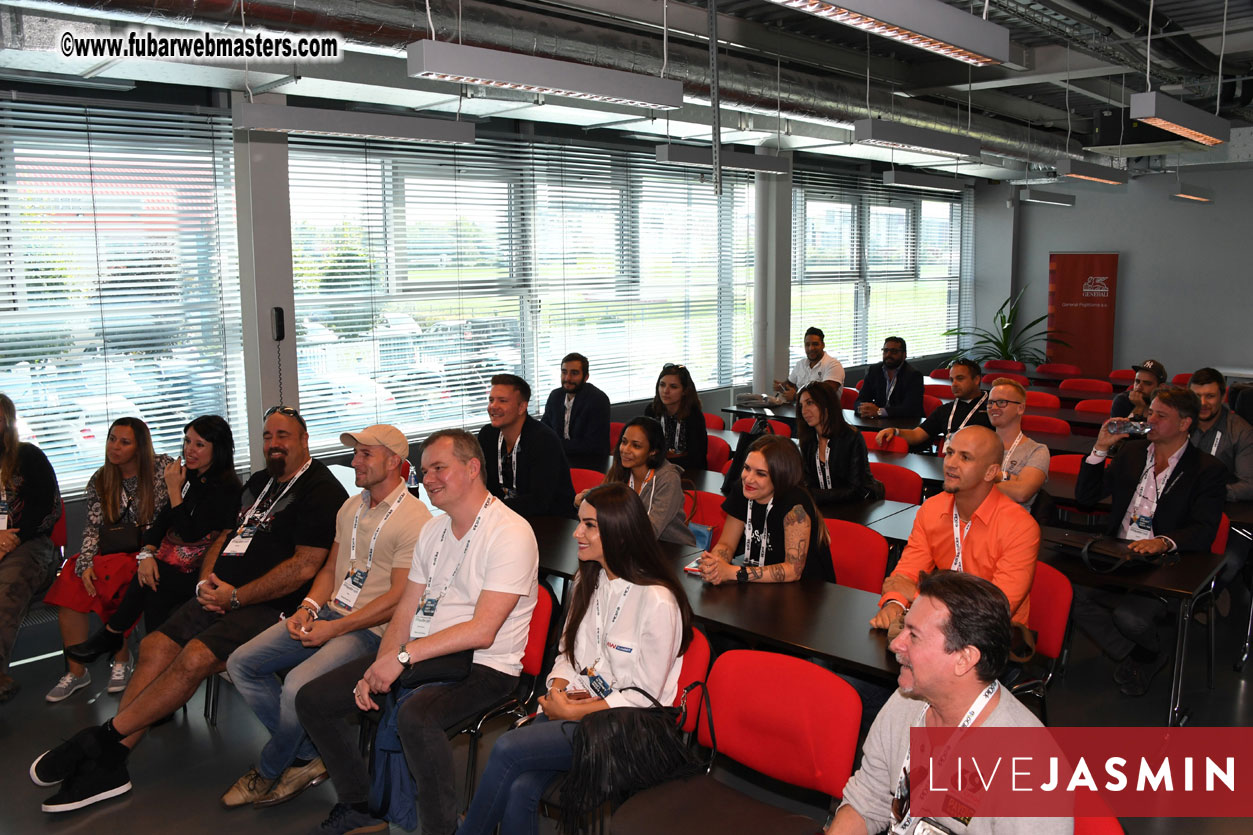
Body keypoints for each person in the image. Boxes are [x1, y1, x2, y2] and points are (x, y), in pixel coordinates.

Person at [29, 406, 348, 813]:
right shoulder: (260, 483)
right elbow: (225, 535)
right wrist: (206, 580)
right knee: (157, 646)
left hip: (271, 607)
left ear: (304, 439)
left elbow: (305, 566)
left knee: (194, 656)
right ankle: (112, 761)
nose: (273, 444)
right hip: (220, 593)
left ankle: (101, 742)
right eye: (267, 436)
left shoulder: (321, 490)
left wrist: (237, 596)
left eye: (283, 435)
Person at [295, 429, 538, 835]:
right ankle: (362, 804)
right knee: (313, 699)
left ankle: (440, 828)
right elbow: (406, 609)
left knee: (416, 718)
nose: (429, 479)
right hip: (423, 653)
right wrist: (385, 660)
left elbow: (482, 631)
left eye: (440, 468)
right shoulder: (434, 530)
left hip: (485, 666)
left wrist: (402, 659)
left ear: (473, 468)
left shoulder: (510, 532)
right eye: (425, 471)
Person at [459, 482, 693, 835]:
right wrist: (558, 690)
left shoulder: (657, 601)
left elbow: (640, 696)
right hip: (579, 706)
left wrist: (571, 711)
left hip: (631, 727)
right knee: (522, 786)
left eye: (589, 525)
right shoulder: (590, 577)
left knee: (507, 747)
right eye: (579, 522)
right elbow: (567, 654)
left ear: (620, 533)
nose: (576, 532)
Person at [222, 424, 432, 809]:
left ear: (393, 461)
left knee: (297, 686)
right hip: (332, 613)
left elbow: (398, 598)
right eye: (356, 453)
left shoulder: (415, 519)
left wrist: (335, 628)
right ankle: (305, 754)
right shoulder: (352, 506)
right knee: (241, 663)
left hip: (370, 629)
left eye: (365, 454)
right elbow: (331, 569)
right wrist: (309, 608)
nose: (355, 461)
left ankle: (268, 770)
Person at [829, 571, 1072, 835]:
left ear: (964, 659)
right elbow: (866, 802)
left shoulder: (1029, 766)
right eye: (904, 627)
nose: (896, 644)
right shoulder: (905, 700)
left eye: (914, 636)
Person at [1072, 386, 1227, 697]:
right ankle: (1142, 655)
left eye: (1161, 415)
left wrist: (1164, 542)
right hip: (1119, 551)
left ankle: (1141, 653)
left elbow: (1204, 529)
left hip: (1165, 560)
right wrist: (1100, 450)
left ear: (1185, 423)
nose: (1150, 419)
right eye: (1151, 412)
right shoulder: (1131, 453)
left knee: (1129, 617)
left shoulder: (1207, 470)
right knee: (1067, 593)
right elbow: (1086, 499)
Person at [64, 416, 243, 672]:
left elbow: (189, 533)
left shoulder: (225, 487)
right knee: (152, 584)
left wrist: (173, 490)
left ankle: (116, 635)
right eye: (187, 441)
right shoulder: (190, 475)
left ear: (218, 448)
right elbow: (163, 521)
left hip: (206, 570)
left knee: (152, 582)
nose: (189, 450)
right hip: (178, 564)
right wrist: (146, 553)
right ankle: (153, 666)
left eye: (199, 444)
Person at [45, 417, 172, 702]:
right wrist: (86, 563)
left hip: (150, 549)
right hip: (112, 549)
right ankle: (77, 672)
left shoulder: (161, 468)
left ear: (140, 447)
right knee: (73, 577)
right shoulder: (101, 479)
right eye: (112, 439)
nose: (114, 447)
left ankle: (122, 658)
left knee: (114, 576)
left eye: (124, 442)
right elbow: (92, 527)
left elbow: (171, 515)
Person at [869, 426, 1039, 632]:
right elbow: (907, 571)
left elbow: (996, 609)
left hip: (995, 636)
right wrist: (894, 604)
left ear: (991, 472)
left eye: (965, 458)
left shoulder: (1020, 527)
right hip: (938, 623)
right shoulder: (932, 508)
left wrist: (917, 596)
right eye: (950, 453)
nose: (950, 463)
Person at [698, 435, 834, 584]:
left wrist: (733, 572)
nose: (749, 479)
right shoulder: (742, 490)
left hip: (806, 592)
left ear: (780, 477)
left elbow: (792, 571)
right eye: (747, 468)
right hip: (761, 585)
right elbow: (727, 544)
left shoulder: (796, 506)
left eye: (761, 474)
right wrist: (715, 564)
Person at [0, 393, 61, 704]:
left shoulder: (29, 458)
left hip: (32, 545)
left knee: (6, 589)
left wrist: (13, 538)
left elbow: (49, 511)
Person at [575, 416, 696, 546]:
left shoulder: (668, 478)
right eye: (624, 442)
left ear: (653, 451)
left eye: (636, 446)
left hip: (672, 549)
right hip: (630, 545)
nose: (625, 450)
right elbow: (598, 504)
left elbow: (650, 532)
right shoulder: (621, 469)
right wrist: (585, 500)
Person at [479, 374, 575, 519]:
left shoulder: (543, 440)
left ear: (522, 407)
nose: (493, 406)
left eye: (502, 401)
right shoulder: (488, 435)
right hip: (503, 517)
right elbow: (482, 484)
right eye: (491, 400)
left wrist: (491, 508)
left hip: (551, 522)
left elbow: (540, 501)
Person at [873, 358, 989, 452]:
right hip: (948, 463)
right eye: (951, 379)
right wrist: (895, 431)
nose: (954, 384)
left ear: (976, 379)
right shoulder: (946, 410)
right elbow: (917, 435)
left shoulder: (992, 408)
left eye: (960, 379)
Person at [796, 381, 882, 505]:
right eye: (801, 406)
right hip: (824, 507)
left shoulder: (852, 438)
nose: (804, 411)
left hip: (857, 507)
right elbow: (807, 482)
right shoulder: (808, 441)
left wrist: (812, 495)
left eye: (810, 403)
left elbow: (855, 490)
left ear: (826, 404)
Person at [1188, 367, 1253, 502]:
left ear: (1223, 397)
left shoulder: (1241, 432)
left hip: (1219, 506)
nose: (1202, 403)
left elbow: (1249, 486)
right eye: (1197, 396)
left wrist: (1209, 492)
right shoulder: (1178, 424)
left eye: (1210, 396)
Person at [539, 353, 611, 472]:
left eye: (574, 373)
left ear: (586, 376)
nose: (567, 378)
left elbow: (592, 445)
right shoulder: (555, 396)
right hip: (561, 459)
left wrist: (554, 444)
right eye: (564, 372)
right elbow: (545, 431)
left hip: (591, 464)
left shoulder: (598, 400)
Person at [986, 378, 1050, 512]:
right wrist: (1009, 478)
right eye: (991, 402)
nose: (994, 407)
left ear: (1020, 408)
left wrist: (979, 484)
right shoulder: (978, 443)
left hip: (1011, 521)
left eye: (1001, 402)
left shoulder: (1037, 451)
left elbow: (1022, 493)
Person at [643, 363, 708, 473]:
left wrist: (661, 457)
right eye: (662, 385)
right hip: (655, 471)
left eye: (673, 387)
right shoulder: (651, 410)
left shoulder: (693, 416)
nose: (665, 391)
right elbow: (645, 447)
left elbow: (697, 458)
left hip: (688, 473)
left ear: (684, 391)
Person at [855, 336, 924, 420]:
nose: (888, 355)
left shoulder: (914, 375)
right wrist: (862, 409)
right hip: (878, 422)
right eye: (885, 351)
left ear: (904, 354)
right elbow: (861, 399)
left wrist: (879, 411)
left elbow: (909, 409)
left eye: (894, 352)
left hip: (904, 423)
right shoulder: (874, 370)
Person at [774, 327, 845, 403]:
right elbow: (789, 385)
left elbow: (825, 393)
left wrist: (795, 396)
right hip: (801, 411)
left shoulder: (834, 365)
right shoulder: (800, 364)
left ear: (823, 345)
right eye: (807, 345)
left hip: (827, 413)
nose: (811, 348)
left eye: (815, 344)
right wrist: (780, 386)